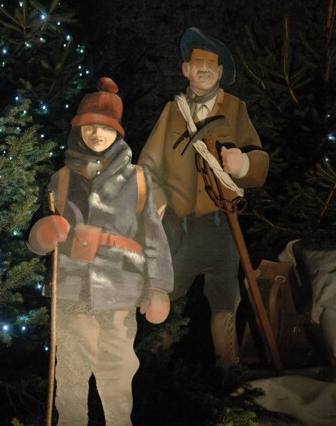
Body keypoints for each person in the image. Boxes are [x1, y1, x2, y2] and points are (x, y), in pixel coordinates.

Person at [28, 77, 173, 425]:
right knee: (73, 372)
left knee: (117, 370)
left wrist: (158, 286)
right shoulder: (61, 179)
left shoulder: (138, 179)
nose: (96, 134)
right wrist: (42, 232)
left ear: (117, 133)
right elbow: (39, 229)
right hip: (72, 288)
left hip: (120, 290)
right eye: (89, 126)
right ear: (79, 129)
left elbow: (153, 235)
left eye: (104, 128)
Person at [138, 27, 269, 369]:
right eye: (198, 63)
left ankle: (229, 373)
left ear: (221, 72)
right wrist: (160, 199)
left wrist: (243, 165)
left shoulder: (236, 109)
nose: (205, 69)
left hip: (221, 224)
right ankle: (158, 371)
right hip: (179, 225)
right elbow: (147, 165)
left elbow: (260, 162)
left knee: (226, 299)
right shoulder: (172, 113)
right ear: (186, 70)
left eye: (212, 64)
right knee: (164, 296)